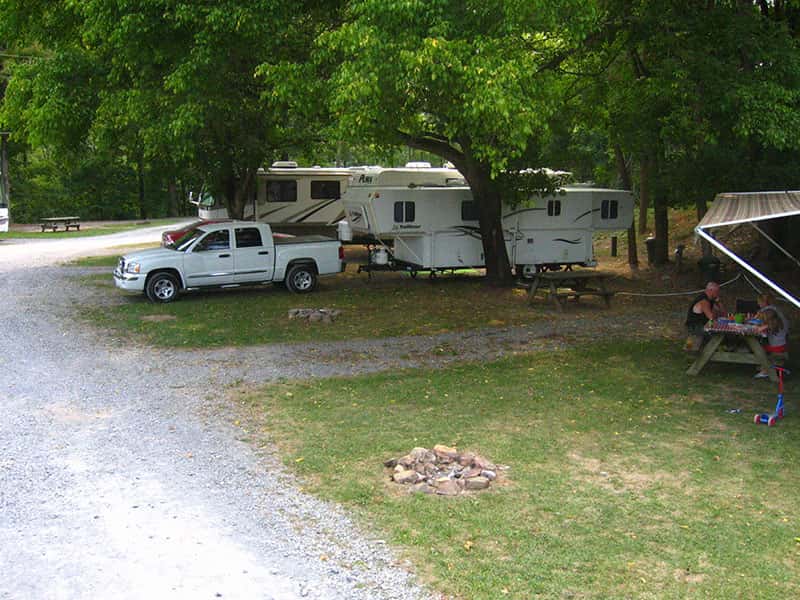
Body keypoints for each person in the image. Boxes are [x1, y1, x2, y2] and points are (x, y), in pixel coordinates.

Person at [753, 294, 790, 378]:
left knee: (760, 348)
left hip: (777, 347)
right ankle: (764, 366)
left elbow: (758, 327)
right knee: (762, 345)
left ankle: (765, 369)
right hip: (783, 344)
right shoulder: (775, 316)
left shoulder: (769, 313)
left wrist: (759, 327)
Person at [685, 281, 725, 351]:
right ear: (711, 290)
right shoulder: (704, 301)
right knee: (716, 336)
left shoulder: (711, 300)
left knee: (720, 334)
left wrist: (719, 302)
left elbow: (722, 313)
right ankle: (709, 354)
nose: (718, 294)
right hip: (695, 327)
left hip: (704, 325)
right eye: (717, 291)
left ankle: (716, 352)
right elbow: (711, 317)